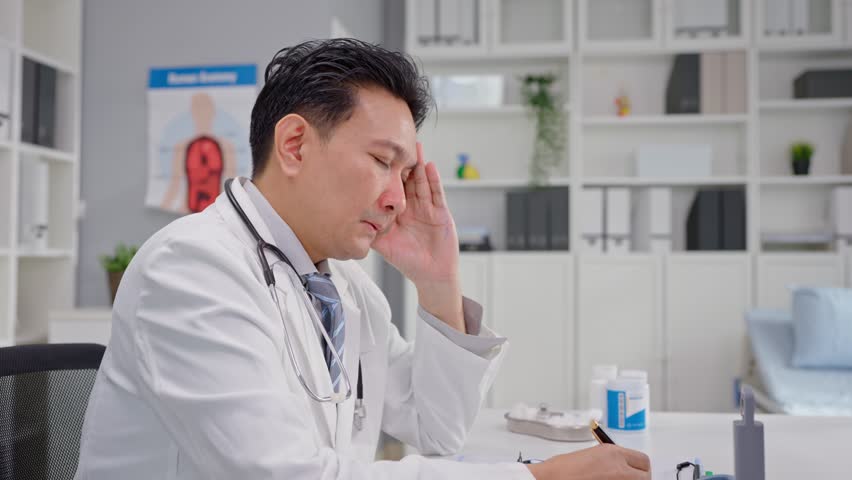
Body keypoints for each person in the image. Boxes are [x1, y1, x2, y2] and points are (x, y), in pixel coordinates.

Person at [74, 39, 651, 480]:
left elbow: (436, 428)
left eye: (405, 175)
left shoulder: (341, 284)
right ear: (295, 144)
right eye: (382, 161)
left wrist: (438, 280)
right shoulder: (191, 269)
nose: (398, 198)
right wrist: (533, 477)